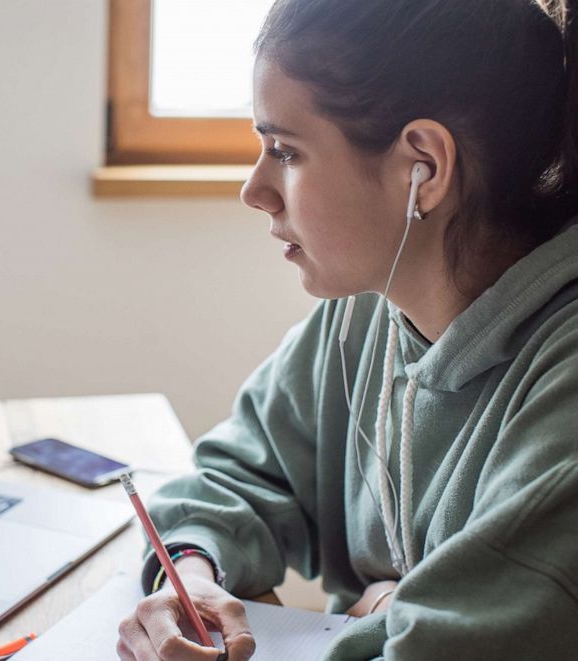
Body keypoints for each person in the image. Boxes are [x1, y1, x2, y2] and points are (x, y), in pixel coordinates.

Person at [117, 0, 578, 659]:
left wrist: (387, 617)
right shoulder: (366, 311)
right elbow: (240, 474)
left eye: (285, 150)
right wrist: (190, 573)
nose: (254, 189)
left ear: (424, 165)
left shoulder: (564, 399)